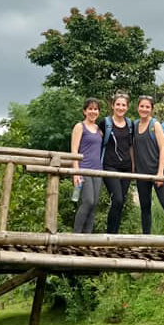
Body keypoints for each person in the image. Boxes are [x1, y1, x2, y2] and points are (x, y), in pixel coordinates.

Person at [133, 95, 164, 235]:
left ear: (151, 109)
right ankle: (146, 238)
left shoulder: (155, 125)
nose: (144, 109)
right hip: (141, 173)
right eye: (142, 106)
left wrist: (160, 172)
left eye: (147, 107)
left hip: (157, 171)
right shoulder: (135, 125)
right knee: (145, 207)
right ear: (137, 107)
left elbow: (163, 149)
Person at [99, 92, 134, 234]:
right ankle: (110, 234)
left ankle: (115, 234)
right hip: (109, 166)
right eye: (118, 104)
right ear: (113, 106)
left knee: (120, 203)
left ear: (127, 107)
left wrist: (133, 167)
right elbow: (96, 141)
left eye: (123, 105)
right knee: (117, 199)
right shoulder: (105, 123)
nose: (120, 107)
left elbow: (131, 146)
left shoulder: (130, 124)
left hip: (126, 168)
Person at [71, 98, 103, 233]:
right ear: (84, 111)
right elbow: (74, 150)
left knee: (94, 204)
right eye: (90, 108)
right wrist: (76, 172)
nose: (93, 111)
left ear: (99, 112)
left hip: (98, 170)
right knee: (88, 201)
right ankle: (76, 235)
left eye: (95, 109)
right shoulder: (80, 127)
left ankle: (87, 237)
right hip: (84, 168)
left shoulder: (99, 130)